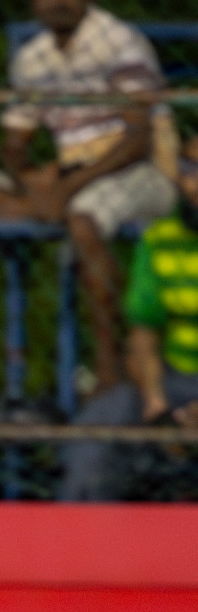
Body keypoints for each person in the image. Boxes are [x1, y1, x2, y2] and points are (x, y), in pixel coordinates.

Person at [0, 0, 178, 392]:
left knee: (82, 218)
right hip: (68, 171)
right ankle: (36, 208)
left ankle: (109, 365)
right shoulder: (34, 58)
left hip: (135, 171)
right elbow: (16, 140)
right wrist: (25, 177)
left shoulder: (118, 41)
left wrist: (65, 188)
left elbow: (138, 138)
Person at [61, 144, 198, 500]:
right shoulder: (160, 238)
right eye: (189, 168)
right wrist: (156, 403)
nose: (195, 183)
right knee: (98, 431)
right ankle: (86, 547)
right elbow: (143, 333)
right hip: (179, 381)